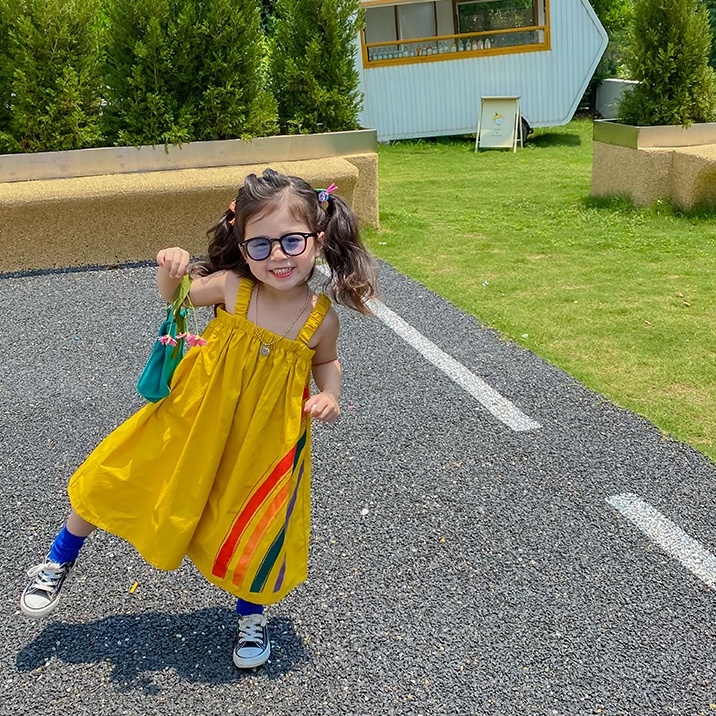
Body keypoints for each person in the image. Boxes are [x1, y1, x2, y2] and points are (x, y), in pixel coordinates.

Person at [19, 168, 377, 669]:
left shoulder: (322, 317)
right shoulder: (233, 287)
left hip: (264, 438)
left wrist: (330, 395)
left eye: (292, 241)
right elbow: (177, 296)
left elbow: (326, 361)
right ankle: (58, 558)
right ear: (242, 246)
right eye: (260, 245)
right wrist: (172, 268)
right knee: (121, 470)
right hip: (192, 415)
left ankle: (251, 615)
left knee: (256, 522)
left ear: (317, 240)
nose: (277, 256)